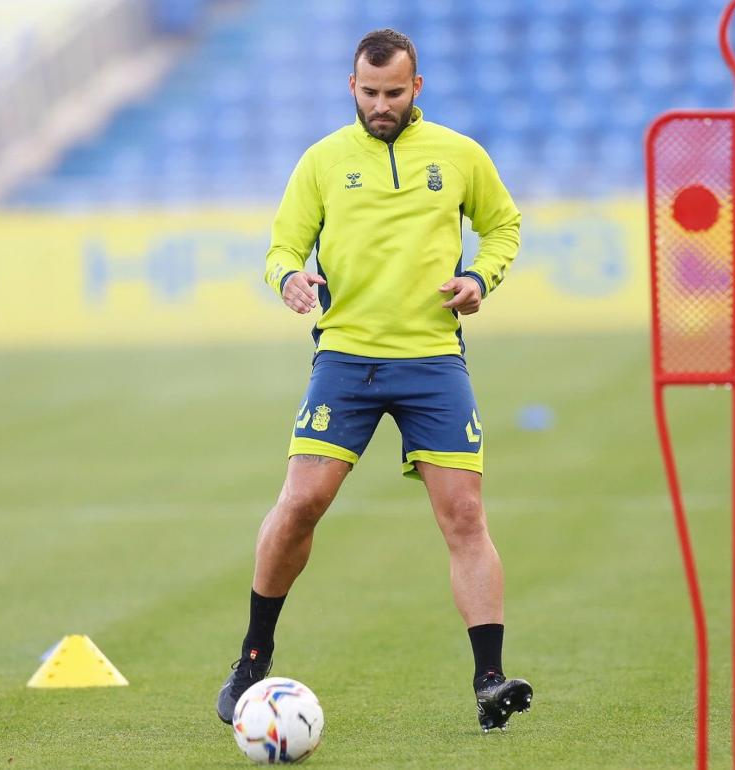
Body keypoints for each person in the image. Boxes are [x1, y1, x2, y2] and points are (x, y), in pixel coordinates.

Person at [216, 28, 532, 733]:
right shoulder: (324, 161)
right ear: (351, 87)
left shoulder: (458, 155)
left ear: (417, 87)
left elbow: (504, 226)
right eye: (369, 92)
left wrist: (482, 276)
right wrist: (290, 278)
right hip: (348, 357)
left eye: (394, 93)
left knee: (466, 517)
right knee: (301, 502)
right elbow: (281, 247)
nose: (381, 104)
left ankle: (489, 680)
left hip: (432, 361)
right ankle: (252, 656)